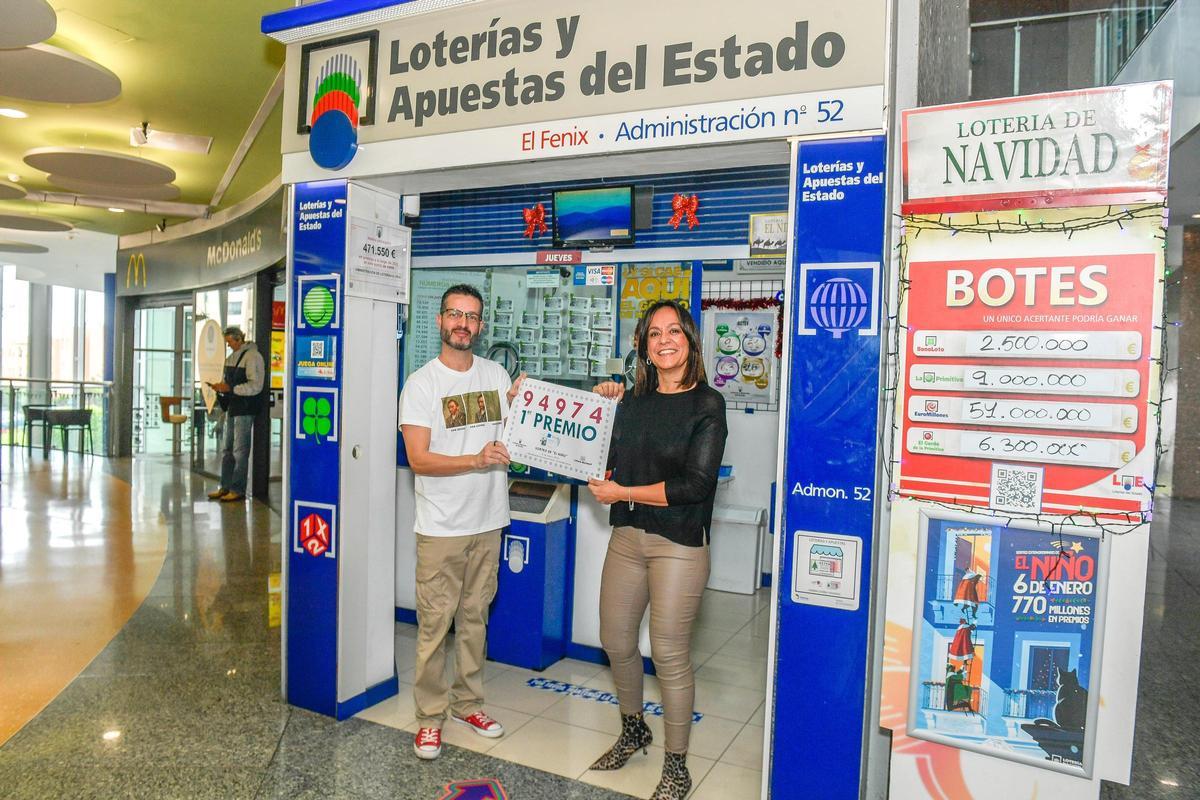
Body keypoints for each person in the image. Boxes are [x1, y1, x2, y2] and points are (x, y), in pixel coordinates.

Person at [585, 299, 727, 800]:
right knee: (615, 639)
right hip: (628, 537)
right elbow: (604, 457)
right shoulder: (632, 402)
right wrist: (603, 405)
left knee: (668, 653)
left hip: (679, 543)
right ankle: (633, 729)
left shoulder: (707, 404)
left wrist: (623, 492)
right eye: (654, 334)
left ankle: (677, 765)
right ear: (644, 347)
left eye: (674, 332)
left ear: (689, 340)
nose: (664, 341)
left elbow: (695, 484)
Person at [398, 284, 525, 761]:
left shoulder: (495, 375)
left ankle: (468, 704)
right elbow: (418, 459)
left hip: (488, 520)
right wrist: (475, 460)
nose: (463, 324)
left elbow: (511, 436)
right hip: (441, 527)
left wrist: (524, 405)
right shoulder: (422, 384)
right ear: (440, 320)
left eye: (471, 317)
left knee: (475, 620)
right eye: (455, 314)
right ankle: (430, 718)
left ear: (481, 325)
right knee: (435, 625)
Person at [206, 325, 265, 502]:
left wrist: (230, 389)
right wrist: (221, 388)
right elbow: (228, 383)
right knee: (227, 450)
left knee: (240, 451)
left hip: (245, 409)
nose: (228, 345)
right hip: (233, 407)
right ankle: (225, 486)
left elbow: (256, 386)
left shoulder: (253, 357)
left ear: (239, 339)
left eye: (230, 341)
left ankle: (237, 489)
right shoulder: (231, 358)